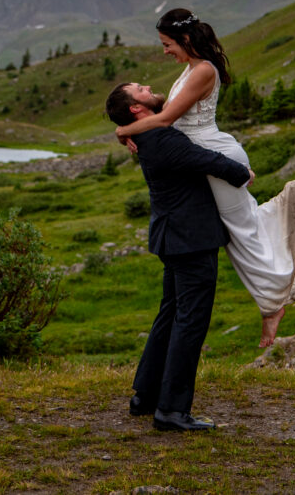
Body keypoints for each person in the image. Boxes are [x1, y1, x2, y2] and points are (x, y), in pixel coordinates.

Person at [115, 8, 295, 347]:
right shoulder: (191, 68)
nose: (164, 51)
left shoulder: (203, 70)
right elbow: (163, 114)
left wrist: (123, 130)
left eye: (167, 44)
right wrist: (128, 131)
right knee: (241, 225)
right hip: (207, 156)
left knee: (244, 230)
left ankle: (273, 303)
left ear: (183, 39)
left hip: (215, 156)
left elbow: (166, 118)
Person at [106, 81, 253, 431]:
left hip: (175, 237)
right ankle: (171, 411)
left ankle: (146, 395)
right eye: (141, 90)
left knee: (170, 316)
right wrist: (241, 173)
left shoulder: (148, 134)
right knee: (190, 322)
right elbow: (204, 160)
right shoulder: (160, 138)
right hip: (190, 240)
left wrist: (121, 130)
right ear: (135, 109)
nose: (149, 87)